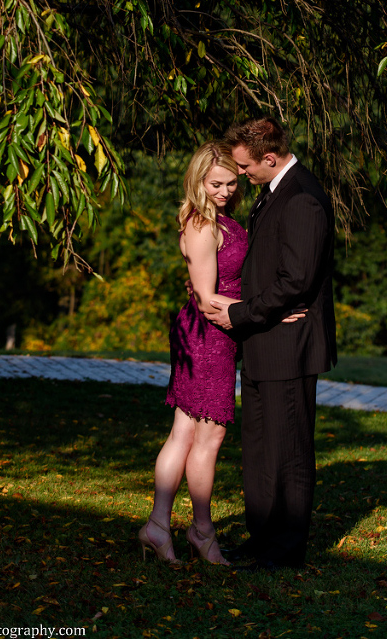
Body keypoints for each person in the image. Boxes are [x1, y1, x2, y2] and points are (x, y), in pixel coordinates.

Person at [207, 117, 337, 570]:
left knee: (289, 450)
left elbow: (295, 280)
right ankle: (261, 539)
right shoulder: (273, 191)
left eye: (245, 167)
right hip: (265, 339)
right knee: (261, 449)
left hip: (290, 343)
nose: (241, 175)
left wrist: (239, 313)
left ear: (269, 157)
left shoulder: (302, 198)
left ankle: (285, 550)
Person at [138, 141, 246, 567]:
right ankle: (201, 531)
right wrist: (264, 317)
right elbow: (205, 299)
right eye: (216, 183)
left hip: (216, 334)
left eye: (231, 183)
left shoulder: (224, 220)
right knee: (207, 436)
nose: (224, 191)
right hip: (207, 335)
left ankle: (159, 527)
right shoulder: (202, 225)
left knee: (185, 433)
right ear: (198, 180)